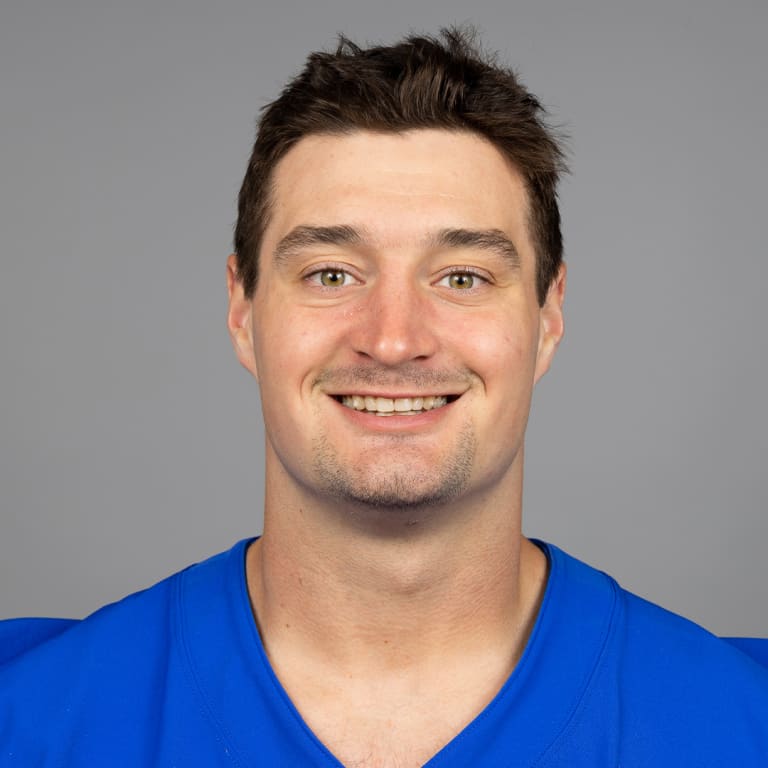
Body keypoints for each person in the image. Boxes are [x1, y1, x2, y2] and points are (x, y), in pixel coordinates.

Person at [1, 28, 767, 768]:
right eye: (332, 274)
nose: (394, 340)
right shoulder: (26, 717)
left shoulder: (745, 723)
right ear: (242, 311)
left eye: (461, 277)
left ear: (548, 317)